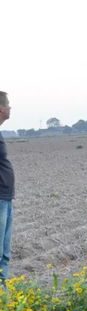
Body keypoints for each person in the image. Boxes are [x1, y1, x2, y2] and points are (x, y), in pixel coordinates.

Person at [0, 91, 14, 282]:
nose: (11, 108)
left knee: (4, 255)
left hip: (6, 198)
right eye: (8, 104)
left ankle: (4, 302)